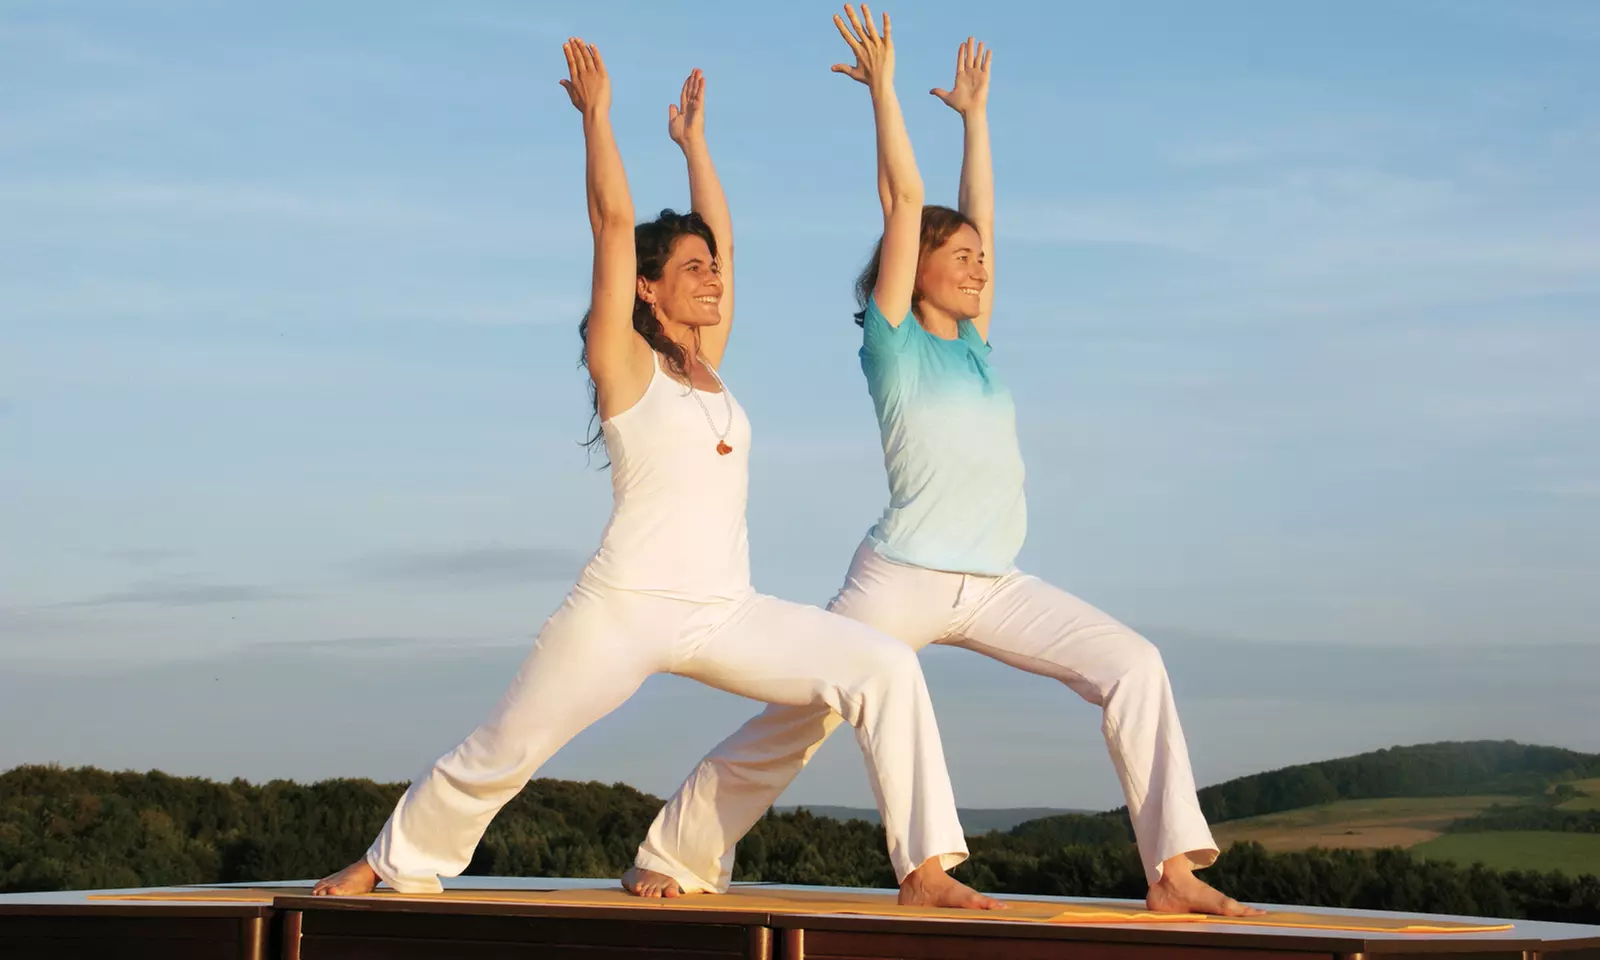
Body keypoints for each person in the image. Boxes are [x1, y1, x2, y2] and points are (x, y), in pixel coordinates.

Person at [312, 38, 999, 911]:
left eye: (713, 270)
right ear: (645, 289)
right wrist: (599, 120)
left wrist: (694, 148)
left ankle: (925, 870)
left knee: (883, 668)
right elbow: (608, 225)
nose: (714, 281)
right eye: (692, 271)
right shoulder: (624, 367)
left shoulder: (706, 361)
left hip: (725, 609)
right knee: (508, 747)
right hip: (625, 606)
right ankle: (387, 857)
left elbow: (728, 246)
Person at [624, 7, 1264, 918]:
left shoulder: (975, 344)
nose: (978, 268)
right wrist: (887, 91)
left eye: (980, 259)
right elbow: (901, 202)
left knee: (1135, 664)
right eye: (958, 257)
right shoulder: (892, 344)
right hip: (903, 578)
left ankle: (1171, 871)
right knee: (806, 717)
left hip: (996, 579)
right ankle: (823, 861)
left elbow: (981, 214)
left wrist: (975, 118)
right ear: (911, 268)